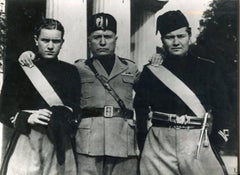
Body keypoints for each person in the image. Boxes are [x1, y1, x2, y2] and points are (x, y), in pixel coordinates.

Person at [134, 10, 229, 175]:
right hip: (158, 144)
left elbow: (223, 108)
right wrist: (144, 143)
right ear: (162, 40)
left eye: (181, 36)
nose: (176, 42)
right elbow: (140, 108)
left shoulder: (209, 68)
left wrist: (216, 142)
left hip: (197, 142)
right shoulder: (151, 71)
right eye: (169, 37)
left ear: (189, 35)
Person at [0, 18, 81, 175]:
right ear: (36, 40)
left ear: (62, 42)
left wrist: (64, 113)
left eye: (56, 41)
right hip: (27, 138)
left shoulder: (70, 71)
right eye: (45, 40)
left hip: (59, 141)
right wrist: (26, 118)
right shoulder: (20, 69)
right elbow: (3, 108)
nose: (50, 46)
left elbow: (77, 107)